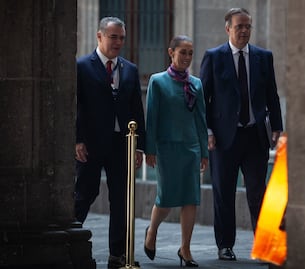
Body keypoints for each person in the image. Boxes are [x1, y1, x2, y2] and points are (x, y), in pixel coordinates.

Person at [199, 7, 283, 261]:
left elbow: (272, 95)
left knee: (259, 193)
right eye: (239, 27)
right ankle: (225, 245)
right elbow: (204, 99)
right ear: (228, 28)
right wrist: (208, 131)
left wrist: (277, 128)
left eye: (248, 26)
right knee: (224, 193)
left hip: (255, 136)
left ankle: (266, 244)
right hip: (223, 139)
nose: (245, 31)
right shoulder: (213, 57)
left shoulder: (263, 57)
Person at [75, 16, 145, 269]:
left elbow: (137, 108)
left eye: (122, 38)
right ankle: (70, 243)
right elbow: (73, 106)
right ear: (99, 36)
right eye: (113, 36)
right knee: (84, 192)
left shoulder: (130, 69)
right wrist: (77, 141)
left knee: (121, 198)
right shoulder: (82, 66)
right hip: (91, 145)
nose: (118, 42)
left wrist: (139, 145)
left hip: (121, 144)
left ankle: (118, 253)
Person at [144, 35, 208, 268]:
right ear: (171, 53)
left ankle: (186, 249)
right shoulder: (157, 81)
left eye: (190, 53)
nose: (187, 57)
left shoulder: (197, 84)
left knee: (191, 199)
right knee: (166, 198)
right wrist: (150, 149)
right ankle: (151, 232)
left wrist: (204, 152)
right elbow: (151, 119)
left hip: (190, 147)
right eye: (183, 52)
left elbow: (201, 120)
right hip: (167, 148)